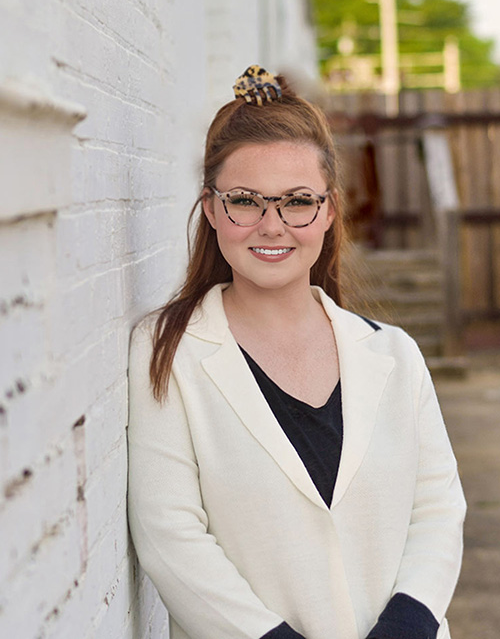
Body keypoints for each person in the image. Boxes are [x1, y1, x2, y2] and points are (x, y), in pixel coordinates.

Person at [127, 65, 466, 639]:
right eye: (245, 201)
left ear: (329, 211)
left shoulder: (397, 356)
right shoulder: (168, 352)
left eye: (297, 202)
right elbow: (171, 536)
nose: (272, 225)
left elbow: (437, 511)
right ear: (211, 210)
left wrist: (406, 627)